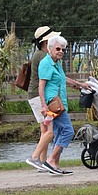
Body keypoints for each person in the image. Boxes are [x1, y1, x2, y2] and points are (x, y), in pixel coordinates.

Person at [37, 33, 90, 175]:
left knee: (59, 132)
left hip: (60, 103)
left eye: (63, 49)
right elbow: (41, 86)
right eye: (58, 49)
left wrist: (80, 85)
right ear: (49, 49)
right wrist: (43, 106)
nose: (61, 52)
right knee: (68, 131)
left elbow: (63, 78)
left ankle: (55, 165)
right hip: (52, 103)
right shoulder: (46, 63)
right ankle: (50, 160)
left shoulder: (56, 63)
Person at [25, 26, 56, 171]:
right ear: (45, 41)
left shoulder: (39, 54)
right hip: (39, 97)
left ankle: (42, 162)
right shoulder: (43, 56)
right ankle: (35, 157)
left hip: (35, 95)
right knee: (51, 129)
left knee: (45, 129)